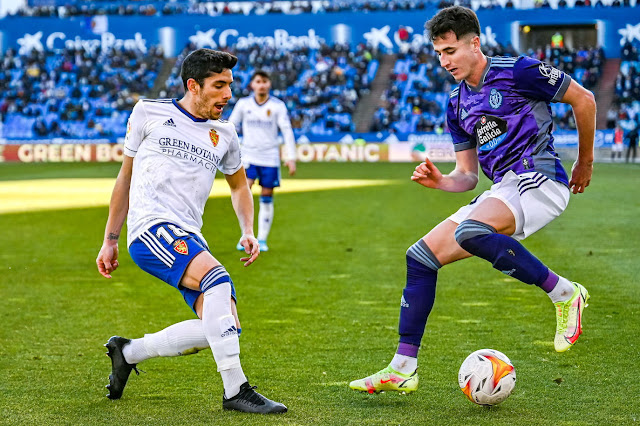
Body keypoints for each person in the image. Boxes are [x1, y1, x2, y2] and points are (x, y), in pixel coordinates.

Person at [350, 6, 595, 394]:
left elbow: (584, 99)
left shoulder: (519, 71)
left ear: (474, 43)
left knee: (470, 230)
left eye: (450, 51)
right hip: (503, 188)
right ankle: (402, 368)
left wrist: (584, 162)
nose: (444, 61)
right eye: (439, 54)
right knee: (420, 257)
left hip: (540, 178)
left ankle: (565, 292)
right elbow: (467, 175)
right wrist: (440, 181)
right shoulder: (456, 103)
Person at [96, 48, 287, 414]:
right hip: (151, 228)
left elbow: (239, 186)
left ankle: (128, 351)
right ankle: (236, 391)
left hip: (189, 234)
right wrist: (110, 239)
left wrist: (248, 229)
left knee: (224, 326)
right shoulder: (149, 112)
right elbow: (125, 177)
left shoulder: (225, 133)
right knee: (217, 279)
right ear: (193, 85)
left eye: (230, 85)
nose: (228, 94)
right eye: (219, 86)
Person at [229, 70, 297, 252]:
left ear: (269, 85)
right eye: (258, 81)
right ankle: (246, 235)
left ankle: (263, 239)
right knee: (245, 193)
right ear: (252, 84)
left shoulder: (278, 106)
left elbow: (287, 130)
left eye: (264, 81)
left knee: (267, 197)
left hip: (270, 158)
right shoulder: (243, 104)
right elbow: (230, 126)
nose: (261, 84)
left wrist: (291, 157)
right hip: (249, 156)